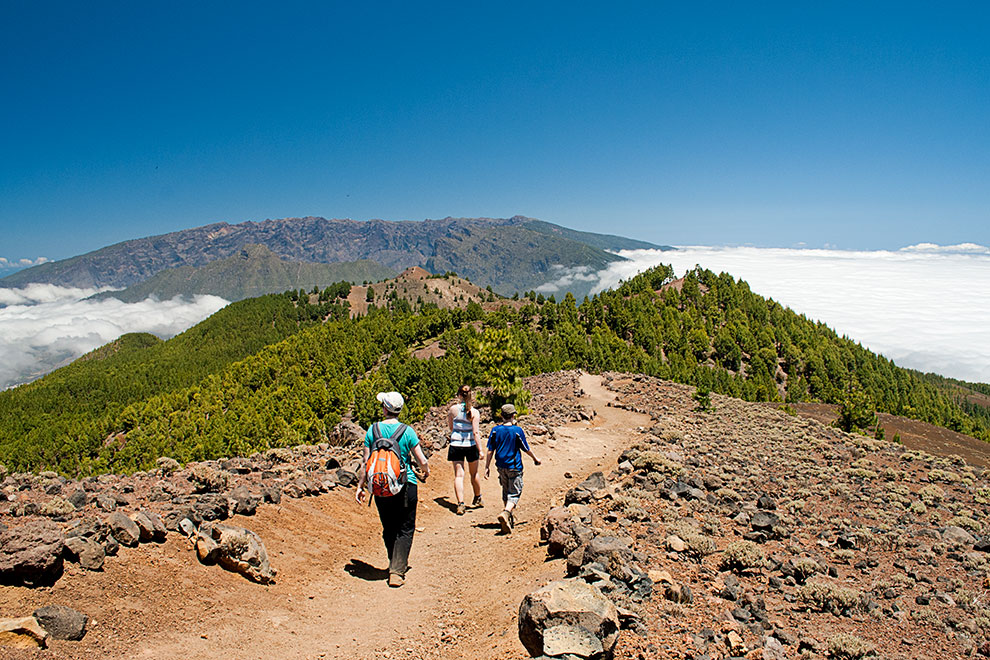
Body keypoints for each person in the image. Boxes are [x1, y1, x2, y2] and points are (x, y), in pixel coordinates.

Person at [355, 391, 430, 588]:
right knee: (405, 527)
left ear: (385, 408)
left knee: (389, 527)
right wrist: (426, 471)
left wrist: (360, 486)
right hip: (406, 484)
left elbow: (365, 462)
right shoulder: (408, 431)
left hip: (381, 486)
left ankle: (394, 562)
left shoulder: (373, 430)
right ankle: (397, 570)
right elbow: (421, 460)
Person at [484, 403, 540, 534]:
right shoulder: (517, 430)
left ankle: (508, 518)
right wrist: (535, 459)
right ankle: (506, 512)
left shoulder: (495, 430)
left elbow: (490, 450)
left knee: (505, 489)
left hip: (500, 466)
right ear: (513, 415)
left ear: (501, 416)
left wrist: (487, 466)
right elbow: (525, 448)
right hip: (514, 466)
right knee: (515, 492)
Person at [447, 384, 483, 515]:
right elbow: (475, 433)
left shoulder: (452, 410)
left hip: (456, 445)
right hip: (471, 445)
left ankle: (460, 503)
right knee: (474, 474)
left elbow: (451, 428)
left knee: (459, 475)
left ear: (459, 395)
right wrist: (480, 450)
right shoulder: (475, 412)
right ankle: (478, 497)